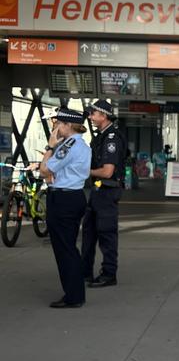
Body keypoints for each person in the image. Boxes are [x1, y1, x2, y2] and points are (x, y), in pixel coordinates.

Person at [39, 108, 91, 308]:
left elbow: (46, 170)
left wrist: (49, 147)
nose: (56, 128)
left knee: (65, 249)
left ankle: (74, 296)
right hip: (74, 196)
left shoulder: (67, 146)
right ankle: (75, 293)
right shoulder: (82, 145)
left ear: (68, 125)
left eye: (58, 124)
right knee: (68, 246)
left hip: (63, 200)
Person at [81, 99, 126, 288]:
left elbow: (107, 171)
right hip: (97, 190)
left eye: (93, 113)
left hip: (107, 190)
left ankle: (109, 274)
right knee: (89, 233)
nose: (90, 117)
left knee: (106, 234)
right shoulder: (100, 136)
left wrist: (83, 171)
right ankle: (85, 273)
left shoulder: (111, 138)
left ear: (104, 115)